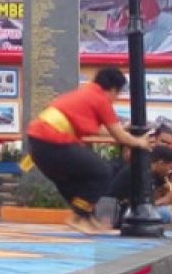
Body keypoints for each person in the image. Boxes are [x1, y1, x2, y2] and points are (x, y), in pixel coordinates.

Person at [23, 67, 153, 235]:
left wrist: (124, 132)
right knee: (102, 172)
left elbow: (104, 131)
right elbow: (118, 136)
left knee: (71, 181)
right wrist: (140, 142)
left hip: (39, 142)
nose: (115, 99)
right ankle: (78, 217)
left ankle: (86, 219)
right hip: (51, 140)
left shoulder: (87, 93)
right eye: (117, 94)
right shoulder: (100, 99)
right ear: (114, 89)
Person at [103, 145, 172, 226]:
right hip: (118, 213)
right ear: (161, 163)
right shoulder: (139, 173)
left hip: (131, 210)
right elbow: (140, 207)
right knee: (166, 213)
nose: (169, 171)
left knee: (171, 210)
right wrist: (164, 200)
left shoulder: (153, 174)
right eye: (169, 167)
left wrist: (160, 192)